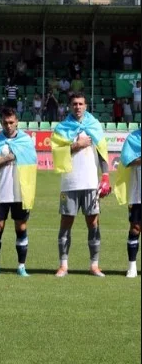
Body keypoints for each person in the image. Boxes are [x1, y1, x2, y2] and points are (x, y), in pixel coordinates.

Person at [51, 92, 111, 278]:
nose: (77, 107)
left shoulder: (94, 126)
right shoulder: (62, 128)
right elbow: (56, 152)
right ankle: (63, 265)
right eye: (74, 104)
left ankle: (94, 265)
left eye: (81, 104)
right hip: (69, 182)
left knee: (93, 222)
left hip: (90, 182)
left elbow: (102, 152)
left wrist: (106, 176)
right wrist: (77, 145)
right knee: (66, 222)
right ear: (70, 106)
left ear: (86, 106)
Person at [0, 107, 37, 277]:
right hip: (0, 191)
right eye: (5, 122)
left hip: (20, 191)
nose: (8, 125)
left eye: (11, 122)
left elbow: (32, 162)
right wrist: (8, 158)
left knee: (21, 227)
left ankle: (21, 266)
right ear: (1, 122)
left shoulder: (26, 141)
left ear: (17, 121)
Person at [114, 128, 141, 278]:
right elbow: (126, 160)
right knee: (135, 228)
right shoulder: (133, 138)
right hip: (138, 192)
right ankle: (132, 266)